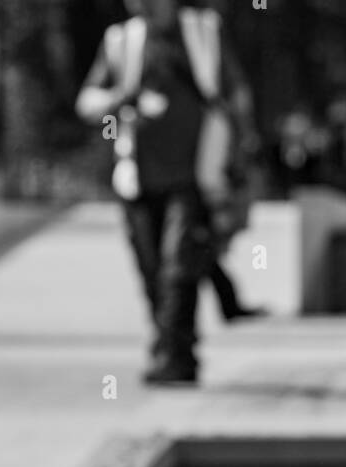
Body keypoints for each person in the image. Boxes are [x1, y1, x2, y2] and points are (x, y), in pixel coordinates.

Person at [76, 0, 261, 386]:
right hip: (138, 178)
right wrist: (119, 99)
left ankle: (174, 359)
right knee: (152, 272)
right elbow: (88, 103)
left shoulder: (204, 31)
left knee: (179, 266)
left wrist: (240, 153)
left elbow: (236, 92)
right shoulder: (121, 40)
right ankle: (174, 348)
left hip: (195, 175)